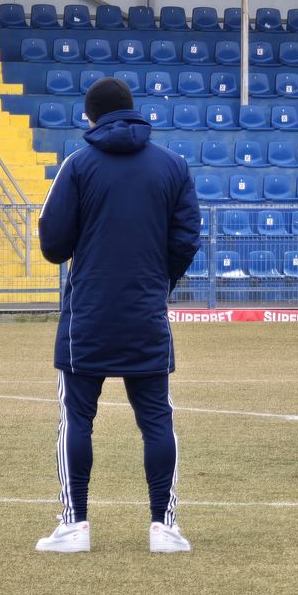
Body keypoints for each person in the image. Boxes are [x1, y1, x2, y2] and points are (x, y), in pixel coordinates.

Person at [35, 77, 201, 552]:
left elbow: (52, 242)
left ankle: (75, 524)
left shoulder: (78, 165)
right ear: (133, 112)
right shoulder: (173, 166)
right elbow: (187, 237)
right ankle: (164, 527)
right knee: (156, 420)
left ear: (91, 116)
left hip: (88, 313)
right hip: (146, 311)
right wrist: (158, 282)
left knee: (77, 419)